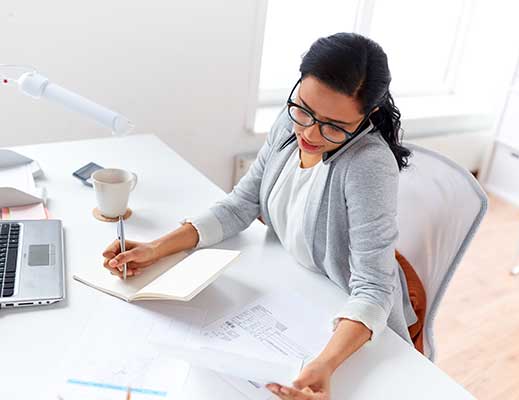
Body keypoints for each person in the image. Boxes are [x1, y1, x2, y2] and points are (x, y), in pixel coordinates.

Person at [102, 32, 425, 400]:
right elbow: (242, 203)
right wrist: (156, 249)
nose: (308, 132)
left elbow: (374, 288)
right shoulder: (290, 123)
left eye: (333, 126)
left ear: (370, 115)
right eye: (304, 109)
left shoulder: (368, 165)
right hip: (295, 288)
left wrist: (324, 364)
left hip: (350, 318)